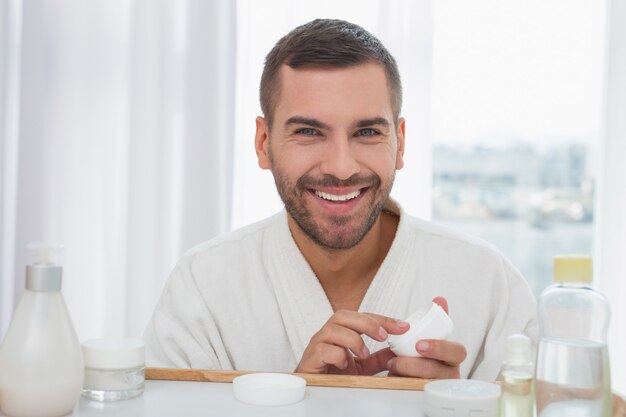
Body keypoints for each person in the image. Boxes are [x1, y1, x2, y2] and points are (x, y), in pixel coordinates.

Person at [144, 18, 537, 381]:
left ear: (400, 143)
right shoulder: (202, 289)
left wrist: (459, 409)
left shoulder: (489, 285)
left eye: (366, 132)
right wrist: (295, 398)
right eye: (309, 132)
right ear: (264, 143)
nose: (342, 167)